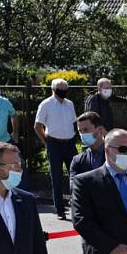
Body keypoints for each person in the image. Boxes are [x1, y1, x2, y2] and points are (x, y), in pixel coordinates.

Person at [70, 111, 108, 254]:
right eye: (80, 131)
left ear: (99, 129)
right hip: (91, 231)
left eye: (86, 130)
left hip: (115, 227)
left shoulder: (112, 153)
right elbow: (76, 189)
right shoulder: (78, 161)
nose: (83, 134)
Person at [34, 78, 77, 220]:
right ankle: (60, 210)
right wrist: (46, 143)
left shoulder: (69, 104)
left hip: (70, 143)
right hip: (54, 144)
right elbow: (37, 126)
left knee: (77, 175)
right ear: (53, 89)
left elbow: (73, 122)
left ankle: (78, 206)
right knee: (57, 178)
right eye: (60, 88)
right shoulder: (45, 104)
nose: (63, 90)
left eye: (65, 88)